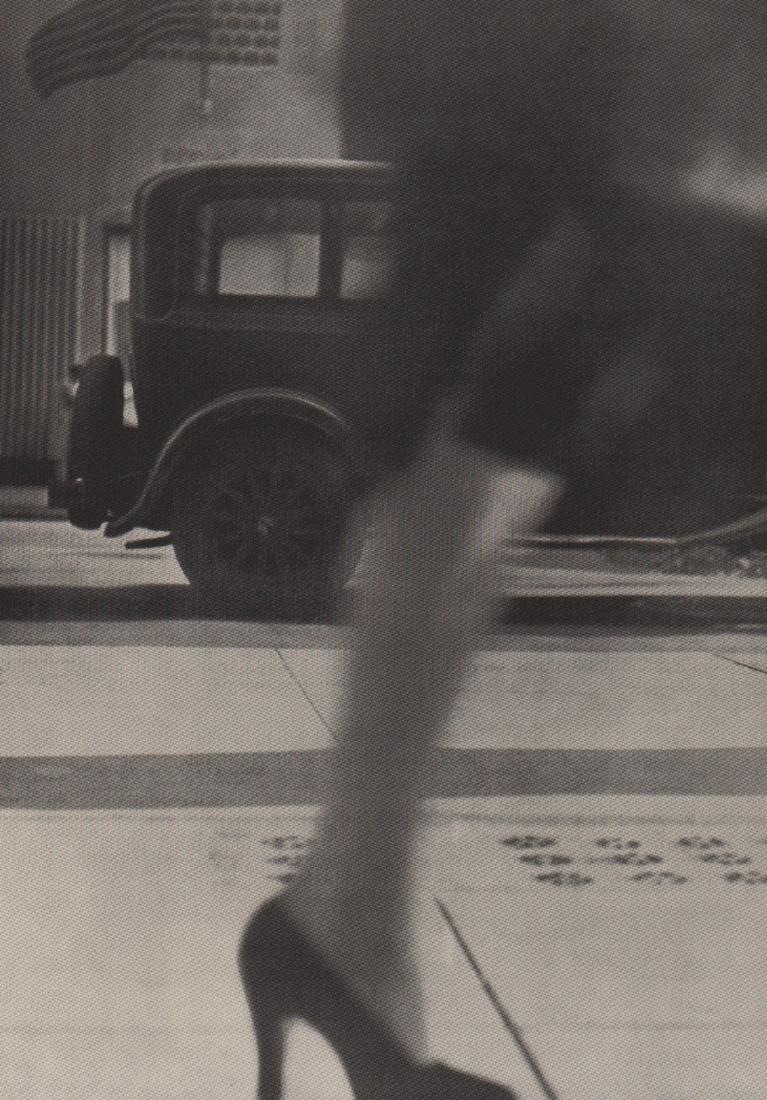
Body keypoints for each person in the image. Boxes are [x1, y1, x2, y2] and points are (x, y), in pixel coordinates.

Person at [238, 3, 767, 1097]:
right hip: (559, 45)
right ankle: (344, 928)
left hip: (577, 53)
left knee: (508, 414)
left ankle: (344, 921)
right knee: (489, 402)